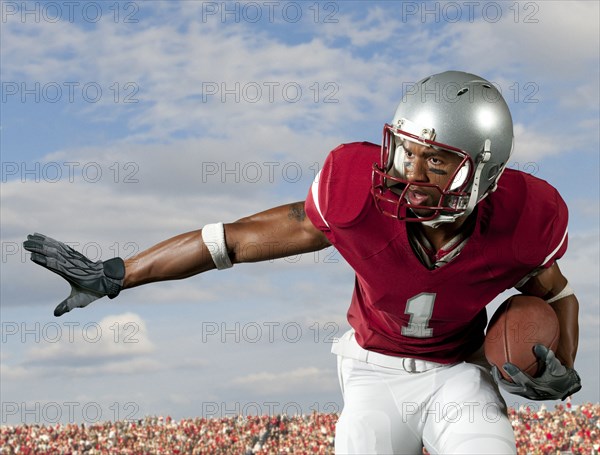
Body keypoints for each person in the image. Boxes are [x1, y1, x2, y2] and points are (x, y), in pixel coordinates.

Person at [24, 71, 582, 454]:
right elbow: (233, 241)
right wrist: (117, 274)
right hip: (373, 370)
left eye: (435, 161)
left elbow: (556, 295)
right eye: (406, 151)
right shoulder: (355, 195)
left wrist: (561, 364)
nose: (409, 173)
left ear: (483, 174)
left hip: (459, 373)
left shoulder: (524, 218)